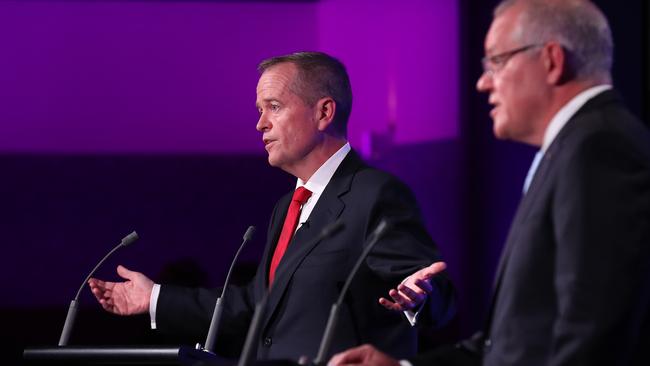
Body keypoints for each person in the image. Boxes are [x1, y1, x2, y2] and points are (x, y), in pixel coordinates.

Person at [329, 0, 650, 365]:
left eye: (495, 62)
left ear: (552, 61)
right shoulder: (573, 149)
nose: (482, 82)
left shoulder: (600, 149)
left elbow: (594, 340)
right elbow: (509, 344)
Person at [88, 52, 456, 361]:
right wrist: (153, 298)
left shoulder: (376, 193)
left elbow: (434, 292)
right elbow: (258, 305)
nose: (261, 124)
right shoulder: (287, 206)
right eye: (260, 110)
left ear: (323, 113)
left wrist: (420, 297)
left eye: (274, 107)